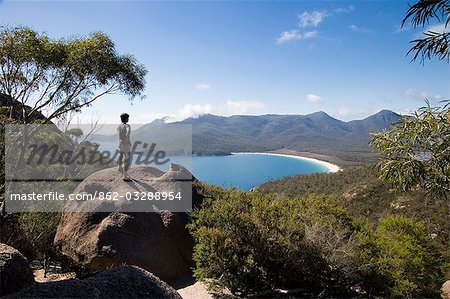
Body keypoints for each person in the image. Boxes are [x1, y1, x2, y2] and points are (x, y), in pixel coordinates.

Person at [117, 113, 131, 180]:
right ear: (126, 119)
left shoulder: (119, 126)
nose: (128, 119)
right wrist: (127, 140)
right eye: (127, 118)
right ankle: (125, 176)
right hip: (126, 144)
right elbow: (127, 133)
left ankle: (119, 167)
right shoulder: (127, 126)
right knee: (126, 159)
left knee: (121, 154)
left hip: (120, 144)